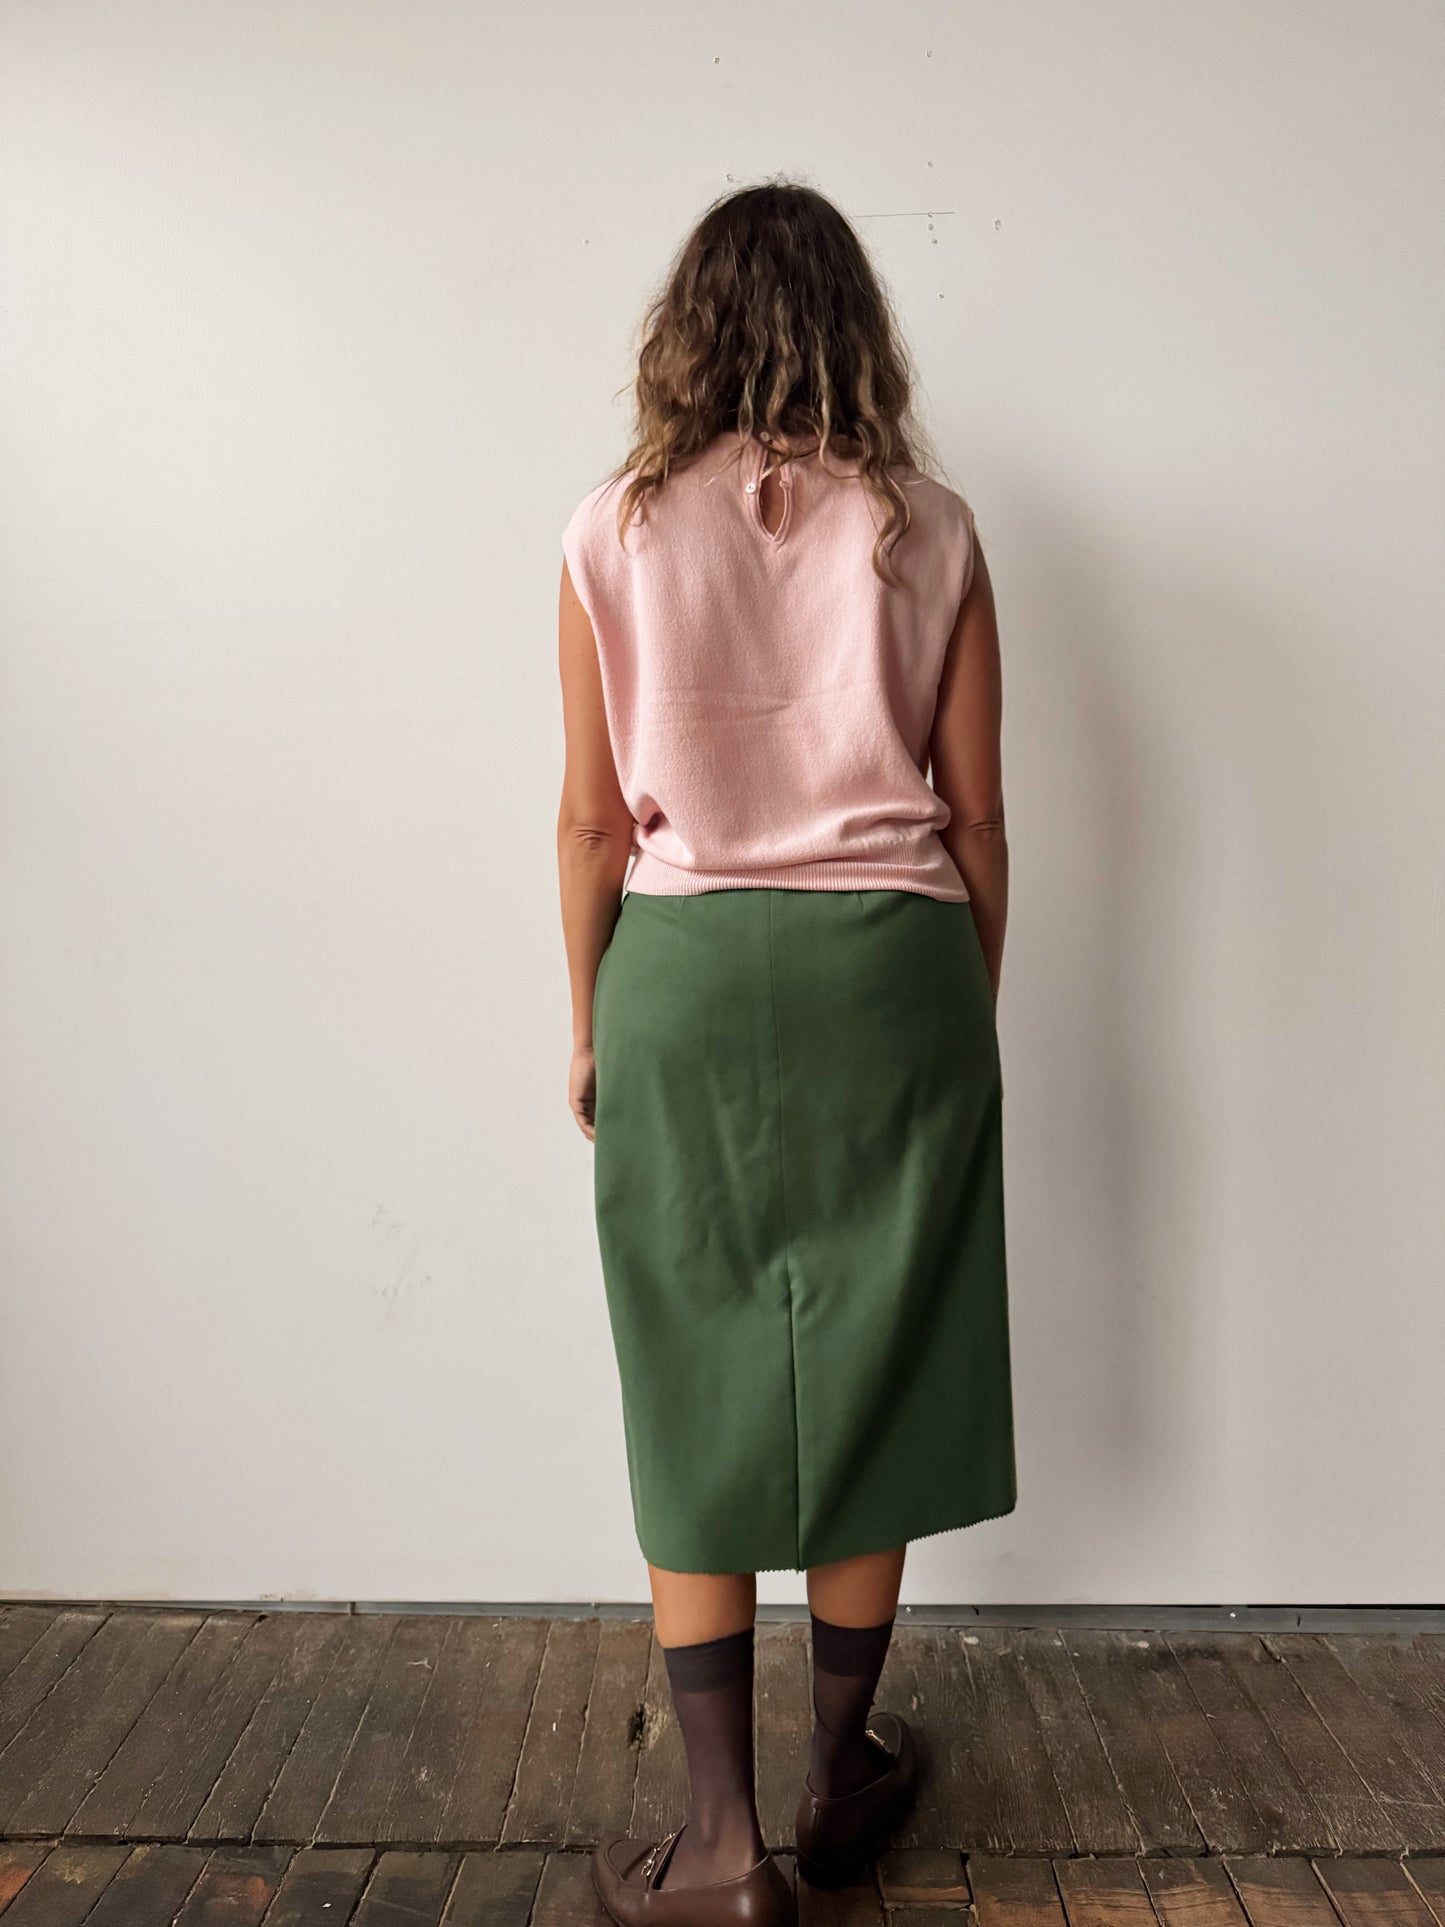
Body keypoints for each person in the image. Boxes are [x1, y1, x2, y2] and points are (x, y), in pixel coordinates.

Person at [556, 178, 1016, 1927]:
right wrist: (957, 1020)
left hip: (679, 964)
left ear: (688, 331)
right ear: (855, 331)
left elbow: (593, 824)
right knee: (875, 1348)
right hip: (891, 965)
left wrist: (590, 1023)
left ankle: (724, 1846)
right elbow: (974, 815)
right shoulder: (933, 527)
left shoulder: (611, 528)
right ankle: (840, 1783)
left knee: (694, 1371)